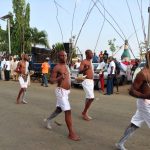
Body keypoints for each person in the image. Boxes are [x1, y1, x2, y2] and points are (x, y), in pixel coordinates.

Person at [115, 51, 150, 150]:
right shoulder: (142, 74)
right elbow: (131, 91)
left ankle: (120, 143)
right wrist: (145, 95)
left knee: (135, 124)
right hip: (144, 103)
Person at [44, 51, 80, 141]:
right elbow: (51, 81)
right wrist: (60, 77)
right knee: (68, 111)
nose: (64, 57)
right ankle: (71, 133)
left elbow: (68, 78)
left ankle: (48, 119)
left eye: (65, 55)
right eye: (62, 56)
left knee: (59, 109)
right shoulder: (57, 67)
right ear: (58, 57)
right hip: (60, 91)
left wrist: (77, 79)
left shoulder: (67, 66)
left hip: (66, 92)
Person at [79, 49, 94, 121]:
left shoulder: (90, 62)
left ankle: (86, 114)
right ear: (87, 54)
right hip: (86, 81)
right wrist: (85, 69)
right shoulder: (84, 61)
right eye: (91, 53)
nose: (92, 54)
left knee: (88, 98)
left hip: (91, 82)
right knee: (91, 98)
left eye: (92, 53)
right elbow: (80, 71)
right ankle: (84, 112)